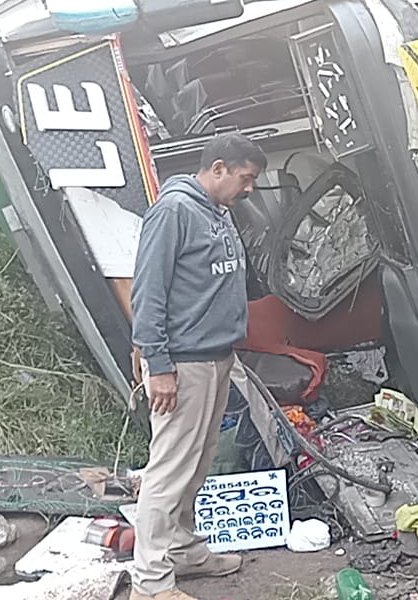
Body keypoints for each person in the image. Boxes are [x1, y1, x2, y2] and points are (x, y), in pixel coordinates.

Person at [129, 132, 267, 600]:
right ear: (219, 168)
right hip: (184, 364)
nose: (249, 188)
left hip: (216, 357)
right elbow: (148, 292)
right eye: (245, 178)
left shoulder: (216, 211)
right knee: (169, 472)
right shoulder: (174, 211)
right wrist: (158, 365)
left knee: (197, 464)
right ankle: (151, 583)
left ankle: (184, 551)